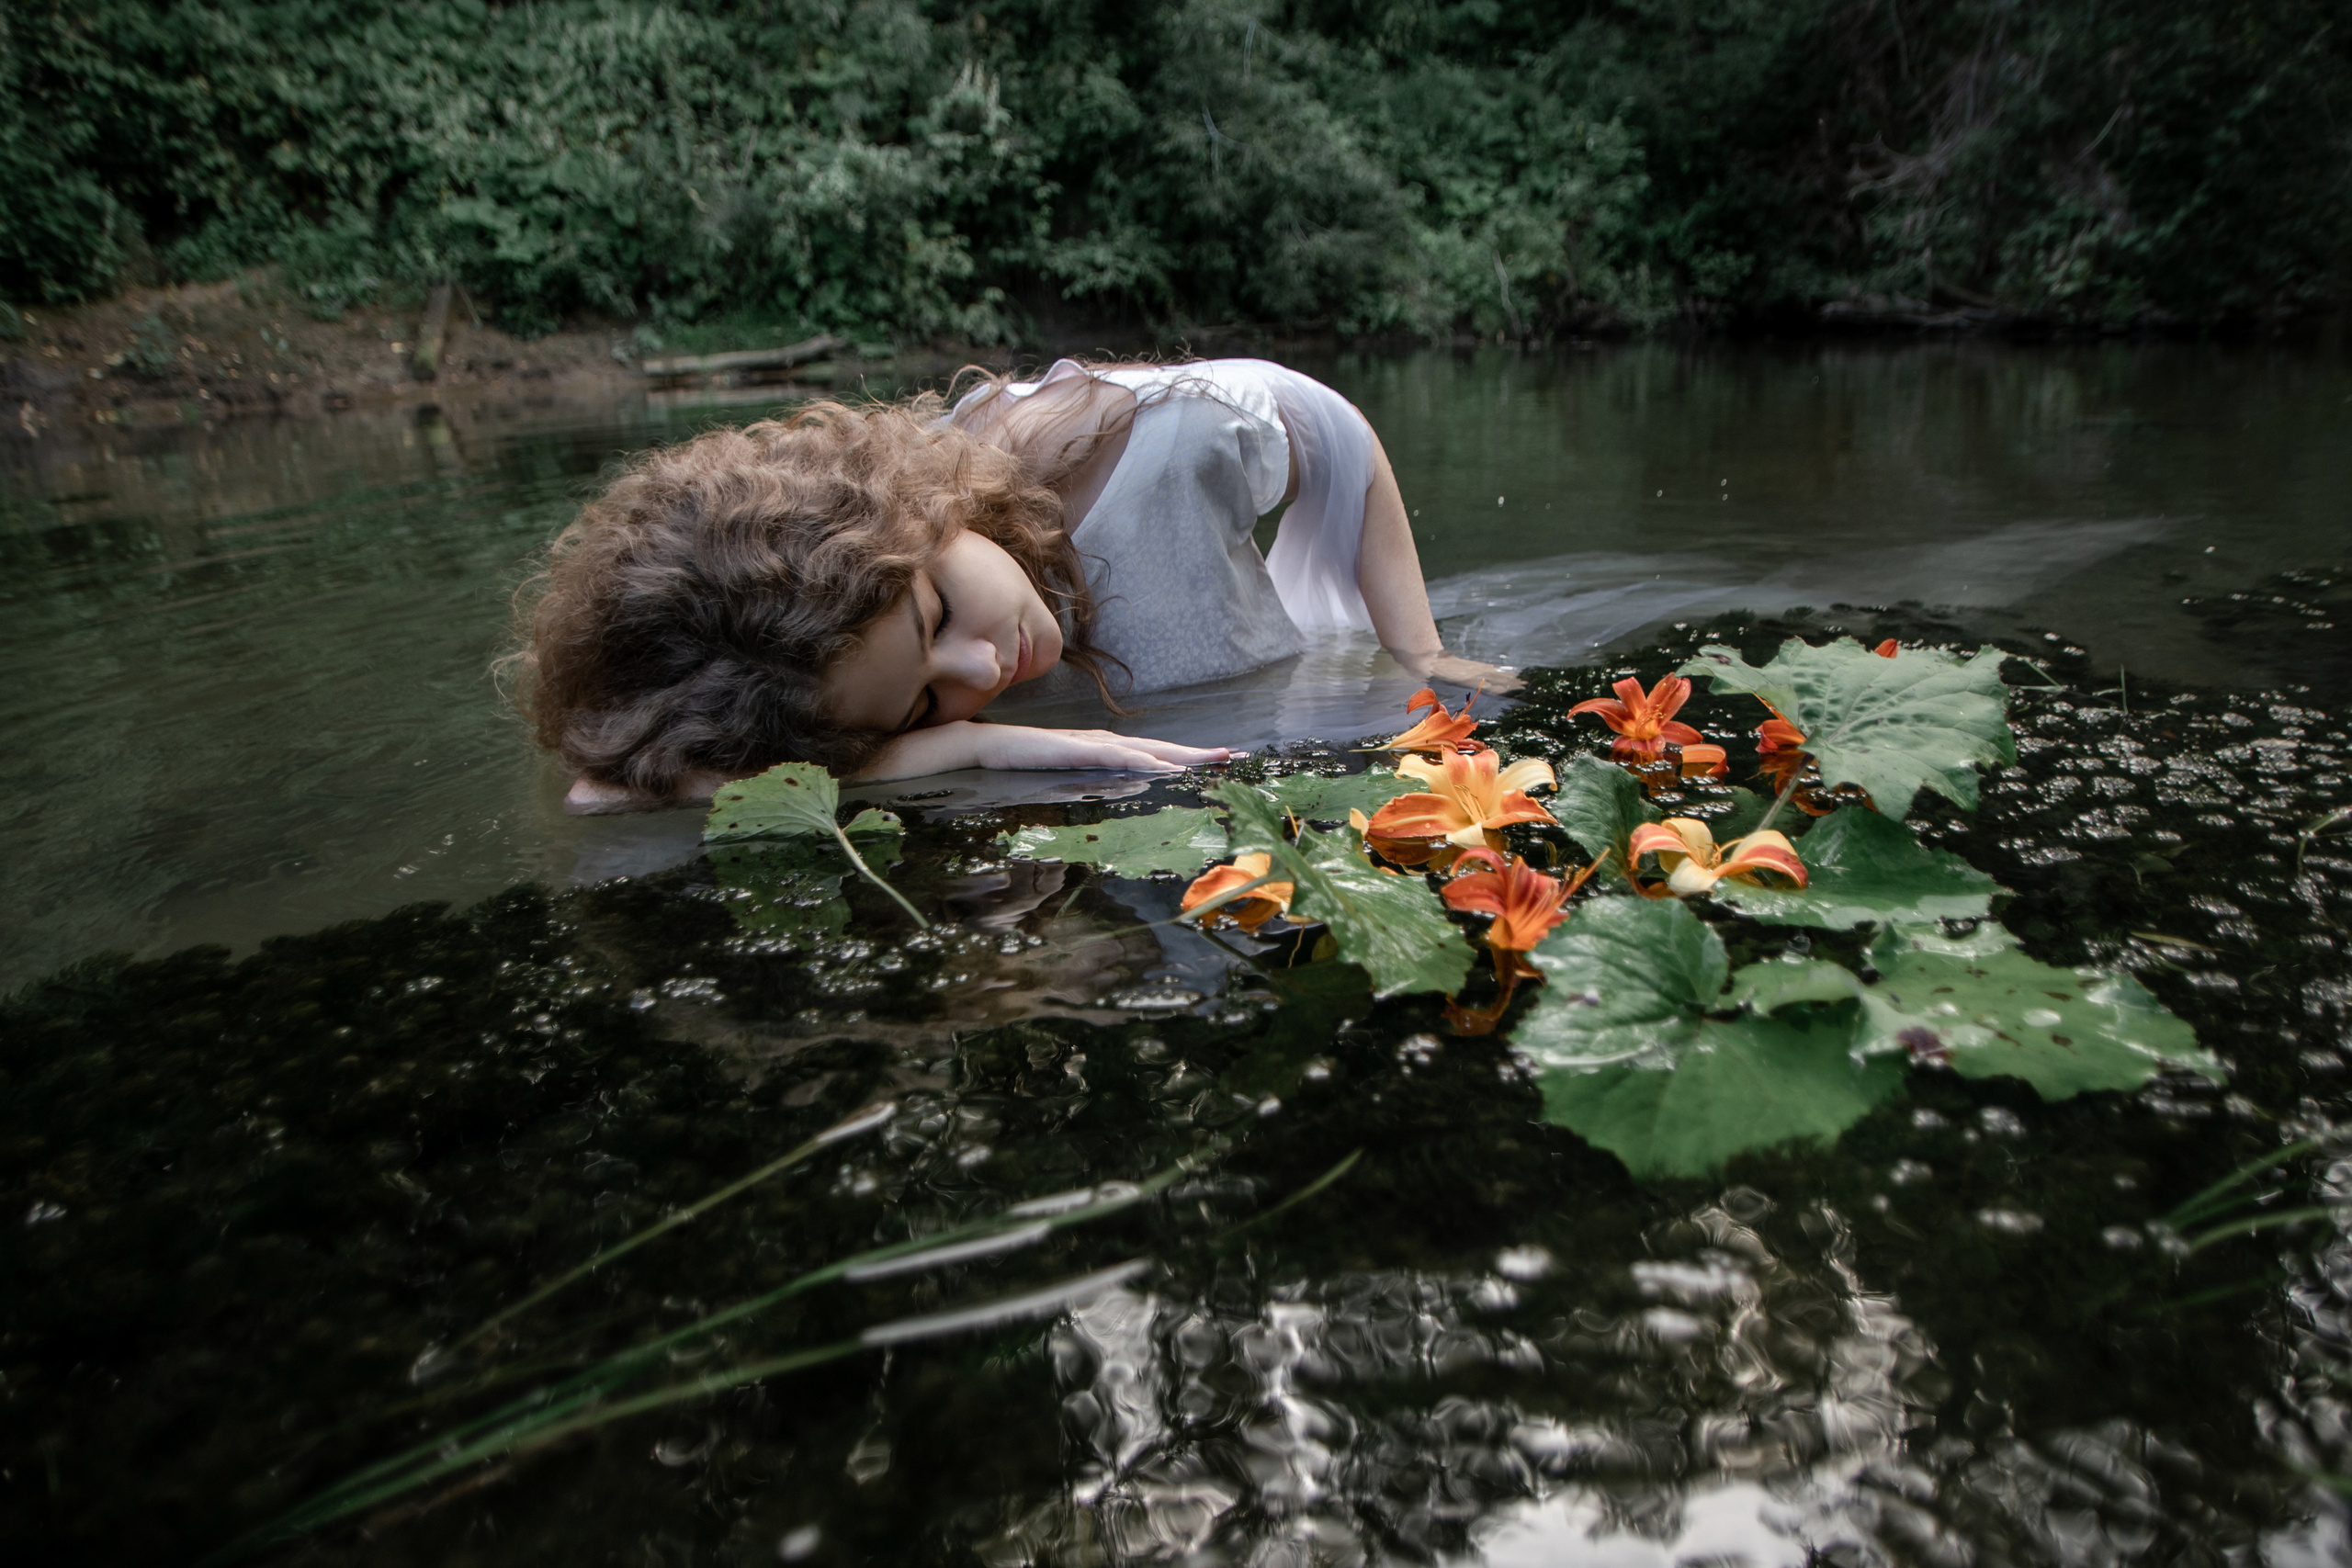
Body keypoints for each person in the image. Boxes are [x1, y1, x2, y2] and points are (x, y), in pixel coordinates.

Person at [521, 358, 1514, 812]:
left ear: (924, 517)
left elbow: (1325, 423)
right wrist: (969, 743)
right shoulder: (824, 659)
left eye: (939, 613)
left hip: (1241, 661)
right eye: (921, 697)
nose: (987, 665)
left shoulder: (1160, 445)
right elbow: (600, 793)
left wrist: (1414, 646)